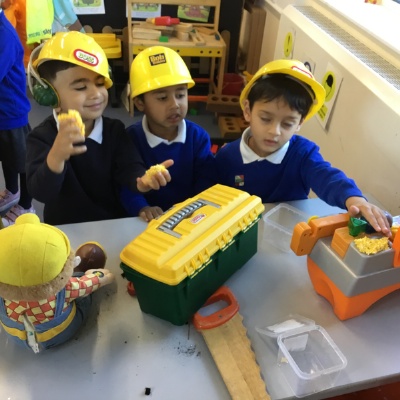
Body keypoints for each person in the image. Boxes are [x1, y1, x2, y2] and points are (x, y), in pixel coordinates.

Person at [214, 59, 391, 236]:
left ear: (300, 123)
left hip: (290, 237)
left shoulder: (303, 154)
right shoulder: (227, 157)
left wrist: (355, 200)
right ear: (247, 111)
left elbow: (326, 177)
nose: (275, 131)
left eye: (287, 124)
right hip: (239, 236)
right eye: (266, 119)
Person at [26, 32, 172, 225]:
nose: (96, 94)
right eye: (81, 87)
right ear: (50, 95)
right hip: (67, 228)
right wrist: (56, 156)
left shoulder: (114, 130)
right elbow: (41, 192)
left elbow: (129, 167)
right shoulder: (41, 137)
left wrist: (142, 180)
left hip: (111, 224)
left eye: (100, 83)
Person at [120, 46, 215, 222]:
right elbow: (126, 186)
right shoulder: (130, 139)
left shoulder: (198, 138)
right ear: (140, 103)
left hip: (190, 219)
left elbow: (206, 182)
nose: (175, 105)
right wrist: (142, 207)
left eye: (180, 95)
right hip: (147, 222)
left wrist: (194, 208)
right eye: (163, 98)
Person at [0, 213, 114, 353]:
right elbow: (87, 285)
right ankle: (80, 270)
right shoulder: (66, 289)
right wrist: (99, 276)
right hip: (60, 333)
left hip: (18, 338)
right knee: (82, 296)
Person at [0, 5, 35, 226]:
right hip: (2, 112)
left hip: (11, 113)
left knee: (23, 162)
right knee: (7, 156)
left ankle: (26, 205)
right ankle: (12, 191)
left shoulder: (4, 35)